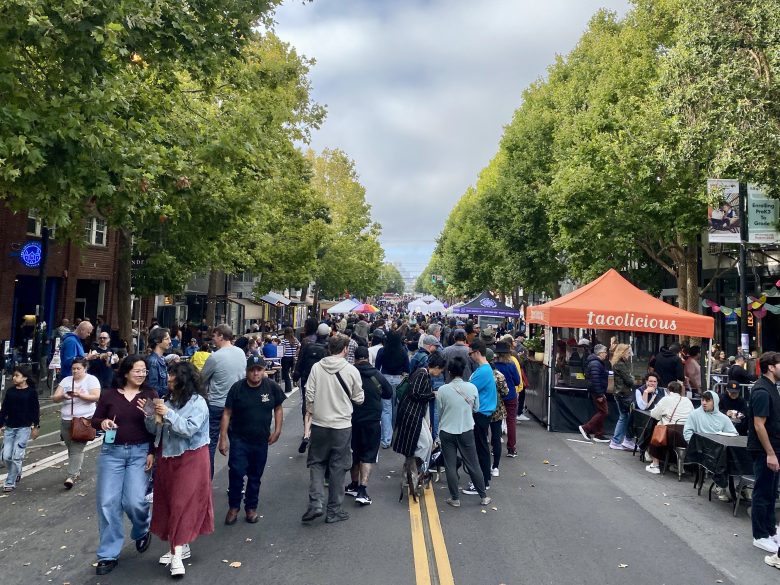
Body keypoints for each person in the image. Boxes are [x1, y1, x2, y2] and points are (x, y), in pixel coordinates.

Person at [140, 361, 212, 578]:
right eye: (168, 376)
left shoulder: (199, 402)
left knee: (182, 503)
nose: (168, 380)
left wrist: (168, 414)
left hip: (192, 457)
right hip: (168, 457)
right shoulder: (168, 400)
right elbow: (155, 430)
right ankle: (181, 545)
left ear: (184, 380)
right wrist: (150, 414)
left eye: (173, 376)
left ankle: (177, 555)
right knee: (169, 502)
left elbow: (188, 429)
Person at [91, 356, 157, 576]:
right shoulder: (109, 395)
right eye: (137, 370)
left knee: (135, 500)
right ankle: (108, 554)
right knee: (108, 502)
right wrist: (103, 422)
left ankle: (142, 528)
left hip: (140, 452)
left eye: (144, 371)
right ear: (126, 372)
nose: (141, 374)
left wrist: (151, 452)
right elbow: (95, 419)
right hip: (112, 453)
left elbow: (156, 429)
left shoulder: (149, 395)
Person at [302, 335, 364, 524]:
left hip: (320, 424)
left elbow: (309, 396)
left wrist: (314, 413)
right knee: (338, 467)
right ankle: (334, 510)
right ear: (345, 349)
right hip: (342, 426)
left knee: (317, 463)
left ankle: (315, 503)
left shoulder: (317, 368)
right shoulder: (351, 370)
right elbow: (359, 398)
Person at [219, 356, 285, 525]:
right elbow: (227, 413)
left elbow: (278, 407)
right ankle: (234, 506)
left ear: (264, 370)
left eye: (259, 370)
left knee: (255, 476)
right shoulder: (237, 388)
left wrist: (277, 430)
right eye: (252, 370)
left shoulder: (271, 387)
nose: (255, 373)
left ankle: (251, 508)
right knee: (236, 474)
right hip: (239, 439)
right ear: (247, 371)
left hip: (261, 440)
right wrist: (223, 439)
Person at [436, 356, 491, 507]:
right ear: (463, 370)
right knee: (473, 463)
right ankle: (483, 496)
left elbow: (439, 411)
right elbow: (476, 408)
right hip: (466, 429)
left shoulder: (442, 390)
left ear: (449, 372)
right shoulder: (472, 388)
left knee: (450, 464)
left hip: (447, 430)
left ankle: (455, 498)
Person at [346, 346, 393, 505]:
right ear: (368, 357)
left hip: (351, 421)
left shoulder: (349, 374)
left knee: (355, 454)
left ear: (355, 358)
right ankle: (362, 489)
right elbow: (388, 394)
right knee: (368, 455)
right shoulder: (377, 375)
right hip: (372, 421)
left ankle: (352, 485)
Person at [393, 352, 444, 494]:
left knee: (426, 442)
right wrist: (431, 394)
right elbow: (415, 392)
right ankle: (415, 472)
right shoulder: (422, 374)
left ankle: (411, 472)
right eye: (440, 370)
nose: (440, 373)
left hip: (415, 414)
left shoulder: (422, 373)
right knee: (425, 444)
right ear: (437, 367)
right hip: (412, 414)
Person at [201, 324, 248, 478]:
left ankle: (207, 481)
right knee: (237, 445)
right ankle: (236, 481)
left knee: (210, 444)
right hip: (237, 405)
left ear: (221, 336)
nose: (213, 340)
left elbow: (201, 379)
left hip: (217, 405)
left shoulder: (215, 357)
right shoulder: (241, 353)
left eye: (214, 336)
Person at [746, 352, 780, 553]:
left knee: (771, 491)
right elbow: (759, 425)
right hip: (765, 450)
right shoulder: (761, 391)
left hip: (774, 448)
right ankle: (759, 535)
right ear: (771, 367)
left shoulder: (771, 388)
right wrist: (770, 453)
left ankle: (769, 530)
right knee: (762, 492)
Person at [52, 357, 101, 488]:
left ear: (85, 368)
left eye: (78, 368)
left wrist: (80, 395)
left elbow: (95, 396)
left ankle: (71, 476)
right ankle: (76, 469)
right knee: (71, 447)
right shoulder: (66, 380)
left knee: (76, 448)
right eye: (73, 369)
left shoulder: (91, 380)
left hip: (84, 419)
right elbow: (55, 398)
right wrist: (64, 396)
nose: (75, 371)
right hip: (66, 419)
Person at [463, 339, 497, 494]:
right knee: (481, 447)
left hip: (480, 413)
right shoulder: (484, 369)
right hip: (483, 412)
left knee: (480, 448)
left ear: (477, 352)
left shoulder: (482, 371)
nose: (470, 356)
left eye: (471, 353)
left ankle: (482, 481)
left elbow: (467, 390)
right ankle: (483, 480)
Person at [0, 366, 40, 492]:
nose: (14, 377)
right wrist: (0, 425)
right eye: (14, 375)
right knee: (6, 456)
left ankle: (10, 482)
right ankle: (18, 469)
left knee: (16, 456)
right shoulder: (10, 391)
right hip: (10, 428)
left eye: (17, 375)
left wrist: (36, 426)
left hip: (24, 428)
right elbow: (4, 409)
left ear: (25, 378)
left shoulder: (31, 392)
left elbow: (35, 409)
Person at [293, 323, 331, 453]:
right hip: (322, 381)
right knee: (323, 403)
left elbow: (300, 360)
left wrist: (296, 374)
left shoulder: (308, 345)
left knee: (307, 404)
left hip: (307, 379)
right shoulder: (328, 348)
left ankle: (306, 432)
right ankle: (319, 430)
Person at [646, 381, 693, 474]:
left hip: (671, 434)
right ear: (680, 391)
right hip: (686, 434)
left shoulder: (666, 399)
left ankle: (655, 464)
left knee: (658, 428)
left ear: (668, 390)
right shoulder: (688, 401)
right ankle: (675, 464)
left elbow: (654, 414)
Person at [375, 330, 410, 449]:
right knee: (397, 408)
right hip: (399, 380)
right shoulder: (403, 351)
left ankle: (386, 439)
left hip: (385, 380)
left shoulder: (382, 351)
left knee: (386, 410)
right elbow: (407, 368)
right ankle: (396, 434)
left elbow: (377, 367)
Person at [578, 344, 611, 443]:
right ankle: (585, 428)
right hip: (597, 391)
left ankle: (599, 434)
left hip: (597, 390)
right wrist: (600, 394)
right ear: (600, 353)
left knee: (601, 411)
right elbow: (595, 379)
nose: (606, 354)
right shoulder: (596, 363)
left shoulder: (596, 362)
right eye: (605, 352)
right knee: (604, 412)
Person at [493, 341, 520, 458]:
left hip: (497, 396)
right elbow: (517, 381)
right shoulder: (511, 364)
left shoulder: (494, 365)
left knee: (496, 422)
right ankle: (511, 448)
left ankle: (495, 448)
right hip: (510, 396)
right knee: (511, 421)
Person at [610, 344, 636, 451]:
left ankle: (622, 440)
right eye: (628, 352)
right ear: (623, 352)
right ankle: (620, 440)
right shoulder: (620, 364)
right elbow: (629, 381)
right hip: (623, 394)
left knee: (625, 417)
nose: (630, 354)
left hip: (620, 393)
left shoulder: (618, 363)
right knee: (627, 417)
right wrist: (632, 378)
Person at [487, 348, 509, 476]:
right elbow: (506, 392)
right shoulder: (499, 376)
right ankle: (495, 466)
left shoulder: (479, 374)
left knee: (482, 438)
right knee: (496, 438)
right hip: (497, 410)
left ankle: (483, 464)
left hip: (482, 410)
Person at [146, 328, 171, 398]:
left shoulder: (161, 359)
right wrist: (171, 388)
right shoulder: (153, 361)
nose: (170, 341)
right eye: (167, 339)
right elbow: (152, 388)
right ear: (157, 341)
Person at [280, 327, 300, 394]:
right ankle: (293, 383)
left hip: (286, 358)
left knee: (285, 373)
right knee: (291, 371)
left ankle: (288, 388)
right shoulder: (295, 340)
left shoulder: (284, 340)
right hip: (293, 358)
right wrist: (296, 352)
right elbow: (300, 346)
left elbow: (281, 349)